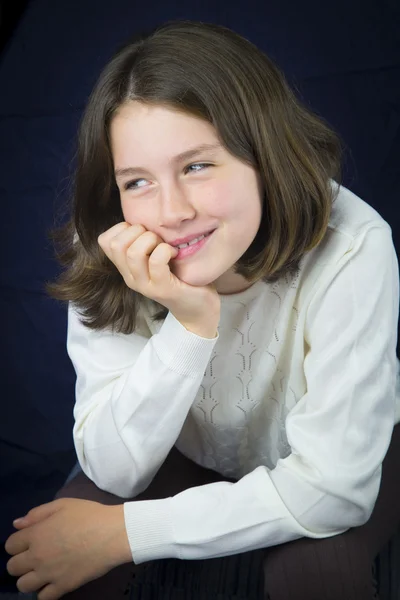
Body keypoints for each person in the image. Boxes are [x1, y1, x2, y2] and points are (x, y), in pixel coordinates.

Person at [4, 19, 400, 600]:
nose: (171, 211)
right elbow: (115, 472)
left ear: (263, 154)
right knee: (59, 558)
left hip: (338, 460)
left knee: (317, 579)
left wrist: (129, 533)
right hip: (185, 453)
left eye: (197, 166)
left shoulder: (353, 244)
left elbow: (332, 488)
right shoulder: (113, 246)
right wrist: (189, 325)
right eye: (137, 181)